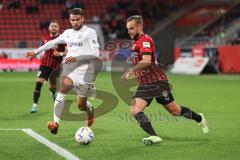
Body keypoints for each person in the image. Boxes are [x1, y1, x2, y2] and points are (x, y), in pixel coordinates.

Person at [121, 15, 209, 145]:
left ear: (140, 26)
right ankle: (154, 136)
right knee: (135, 109)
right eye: (128, 29)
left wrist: (130, 71)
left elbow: (146, 61)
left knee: (175, 111)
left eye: (132, 28)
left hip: (158, 82)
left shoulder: (145, 40)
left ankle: (199, 118)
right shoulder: (135, 42)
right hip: (145, 84)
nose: (129, 31)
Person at [26, 8, 99, 134]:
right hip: (71, 70)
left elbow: (95, 53)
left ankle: (89, 110)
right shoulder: (68, 33)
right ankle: (55, 124)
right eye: (72, 20)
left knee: (81, 105)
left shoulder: (90, 32)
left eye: (77, 20)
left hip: (86, 71)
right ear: (69, 20)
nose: (75, 22)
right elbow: (52, 42)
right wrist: (35, 52)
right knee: (62, 90)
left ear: (82, 19)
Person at [29, 20, 66, 114]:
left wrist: (60, 53)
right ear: (49, 28)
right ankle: (34, 106)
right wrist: (34, 55)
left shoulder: (62, 39)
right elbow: (42, 48)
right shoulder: (44, 38)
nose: (53, 27)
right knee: (38, 83)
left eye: (55, 26)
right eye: (52, 26)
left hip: (56, 67)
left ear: (58, 28)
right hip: (44, 64)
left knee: (52, 86)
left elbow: (67, 51)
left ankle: (53, 93)